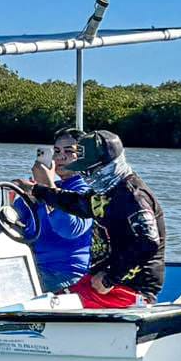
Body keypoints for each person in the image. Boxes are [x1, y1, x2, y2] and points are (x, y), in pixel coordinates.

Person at [21, 129, 165, 308]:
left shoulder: (133, 196)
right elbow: (75, 203)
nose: (86, 175)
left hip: (129, 289)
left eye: (90, 170)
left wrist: (111, 277)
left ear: (108, 165)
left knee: (47, 307)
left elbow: (149, 241)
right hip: (99, 281)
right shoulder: (106, 192)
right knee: (46, 300)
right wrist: (37, 191)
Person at [14, 128, 94, 292]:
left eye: (69, 151)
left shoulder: (88, 191)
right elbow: (15, 221)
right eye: (56, 151)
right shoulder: (46, 188)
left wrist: (47, 187)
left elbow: (69, 229)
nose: (60, 157)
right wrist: (20, 197)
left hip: (67, 274)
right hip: (35, 268)